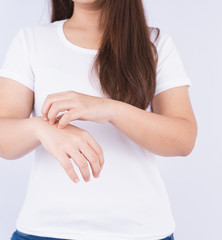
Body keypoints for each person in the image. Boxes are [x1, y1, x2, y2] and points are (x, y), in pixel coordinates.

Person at [0, 0, 197, 239]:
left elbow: (183, 139)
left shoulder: (154, 43)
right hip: (46, 229)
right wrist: (41, 128)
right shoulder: (32, 41)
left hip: (140, 231)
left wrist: (110, 109)